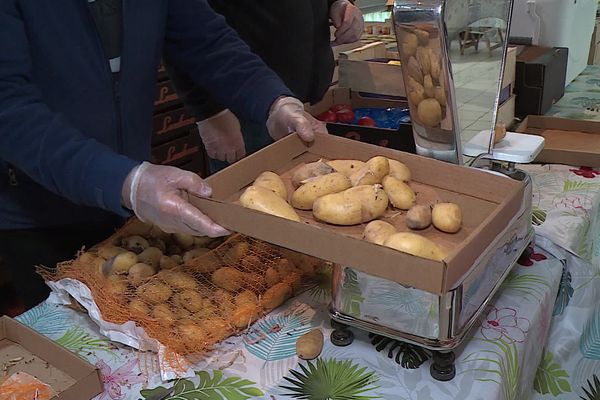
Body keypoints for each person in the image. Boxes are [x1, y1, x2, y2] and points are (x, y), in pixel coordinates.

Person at [0, 0, 323, 312]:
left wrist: (273, 102)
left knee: (140, 322)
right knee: (67, 348)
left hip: (130, 196)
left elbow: (207, 41)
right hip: (38, 208)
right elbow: (9, 108)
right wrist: (123, 181)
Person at [167, 0, 365, 173]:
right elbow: (184, 27)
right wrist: (209, 113)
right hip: (243, 109)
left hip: (294, 103)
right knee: (245, 206)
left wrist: (338, 3)